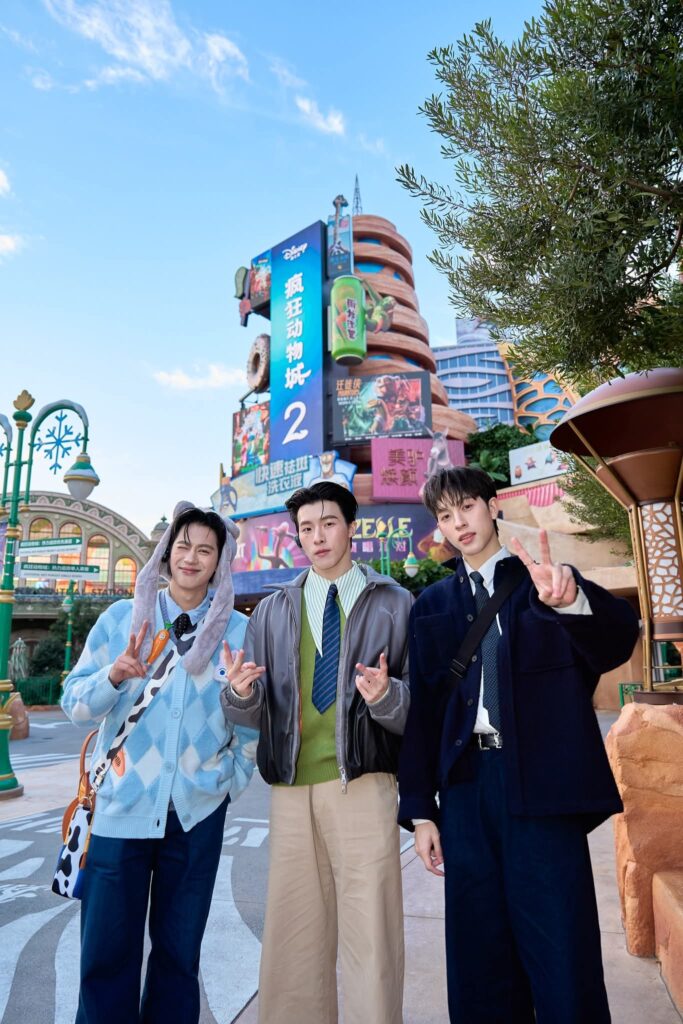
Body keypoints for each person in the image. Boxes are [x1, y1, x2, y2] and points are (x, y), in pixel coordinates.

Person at [398, 467, 640, 1024]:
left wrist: (570, 600)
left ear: (492, 506)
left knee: (561, 947)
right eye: (445, 515)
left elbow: (615, 640)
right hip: (465, 791)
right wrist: (421, 810)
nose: (459, 523)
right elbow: (425, 712)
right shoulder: (431, 604)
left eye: (467, 507)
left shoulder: (543, 583)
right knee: (479, 954)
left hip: (541, 789)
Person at [222, 480, 412, 1024]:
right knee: (293, 937)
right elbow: (253, 707)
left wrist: (387, 696)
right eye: (306, 528)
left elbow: (419, 707)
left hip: (365, 785)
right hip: (290, 789)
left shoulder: (395, 603)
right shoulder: (270, 611)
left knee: (372, 934)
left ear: (351, 528)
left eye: (329, 523)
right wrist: (239, 695)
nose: (318, 536)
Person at [61, 502, 259, 1024]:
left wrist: (228, 781)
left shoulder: (239, 632)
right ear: (167, 552)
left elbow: (252, 726)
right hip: (120, 809)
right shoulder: (121, 619)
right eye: (183, 545)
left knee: (178, 955)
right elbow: (74, 704)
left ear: (220, 561)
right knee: (105, 955)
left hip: (195, 815)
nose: (191, 558)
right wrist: (112, 677)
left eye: (206, 550)